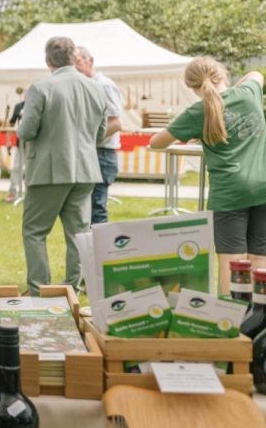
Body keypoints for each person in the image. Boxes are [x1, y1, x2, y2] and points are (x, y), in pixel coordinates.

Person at [149, 58, 266, 296]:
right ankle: (260, 313)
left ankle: (232, 314)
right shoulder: (248, 93)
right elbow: (256, 75)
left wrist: (200, 132)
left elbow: (156, 143)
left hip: (229, 193)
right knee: (260, 258)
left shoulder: (198, 112)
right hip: (263, 187)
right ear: (222, 74)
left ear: (191, 86)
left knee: (232, 261)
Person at [17, 36, 108, 294]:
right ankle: (73, 289)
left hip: (49, 170)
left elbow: (26, 131)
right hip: (86, 169)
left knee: (35, 231)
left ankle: (38, 288)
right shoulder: (96, 88)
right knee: (78, 234)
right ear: (74, 58)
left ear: (48, 61)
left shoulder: (41, 88)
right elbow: (100, 134)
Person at [74, 46, 123, 224]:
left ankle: (101, 243)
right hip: (90, 153)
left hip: (101, 154)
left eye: (78, 62)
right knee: (84, 210)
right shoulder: (82, 86)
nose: (75, 67)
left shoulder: (104, 85)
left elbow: (115, 123)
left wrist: (88, 141)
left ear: (91, 61)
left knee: (96, 210)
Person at [6, 87, 26, 203]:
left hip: (35, 144)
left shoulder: (39, 104)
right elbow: (11, 124)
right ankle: (12, 192)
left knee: (32, 171)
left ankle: (30, 194)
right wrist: (8, 141)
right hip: (20, 143)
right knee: (16, 168)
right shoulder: (19, 106)